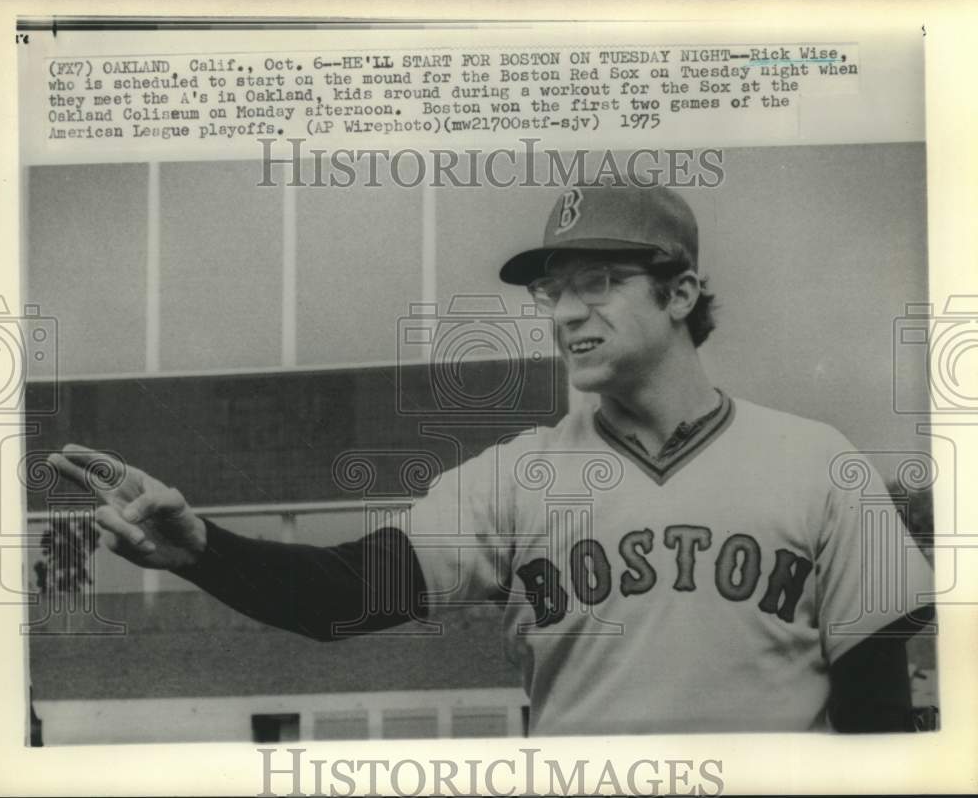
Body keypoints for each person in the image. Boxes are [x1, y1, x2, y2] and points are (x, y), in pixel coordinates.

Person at [49, 182, 933, 735]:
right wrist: (201, 548)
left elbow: (879, 719)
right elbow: (344, 597)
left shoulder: (822, 465)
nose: (564, 313)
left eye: (600, 282)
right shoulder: (516, 477)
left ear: (682, 293)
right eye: (553, 290)